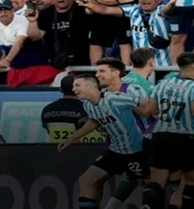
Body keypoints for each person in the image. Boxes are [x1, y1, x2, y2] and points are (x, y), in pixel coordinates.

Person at [57, 74, 152, 209]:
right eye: (73, 86)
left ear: (91, 86)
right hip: (114, 151)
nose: (73, 89)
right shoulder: (88, 105)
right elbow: (94, 121)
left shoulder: (114, 98)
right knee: (87, 180)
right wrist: (72, 138)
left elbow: (147, 104)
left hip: (135, 151)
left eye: (77, 85)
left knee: (150, 185)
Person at [143, 52, 194, 209]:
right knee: (192, 181)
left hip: (160, 136)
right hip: (187, 139)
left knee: (157, 181)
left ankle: (148, 205)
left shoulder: (162, 84)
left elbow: (149, 110)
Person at [41, 75, 106, 143]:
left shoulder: (47, 110)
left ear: (60, 89)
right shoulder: (88, 109)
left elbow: (48, 130)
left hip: (55, 149)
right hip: (83, 150)